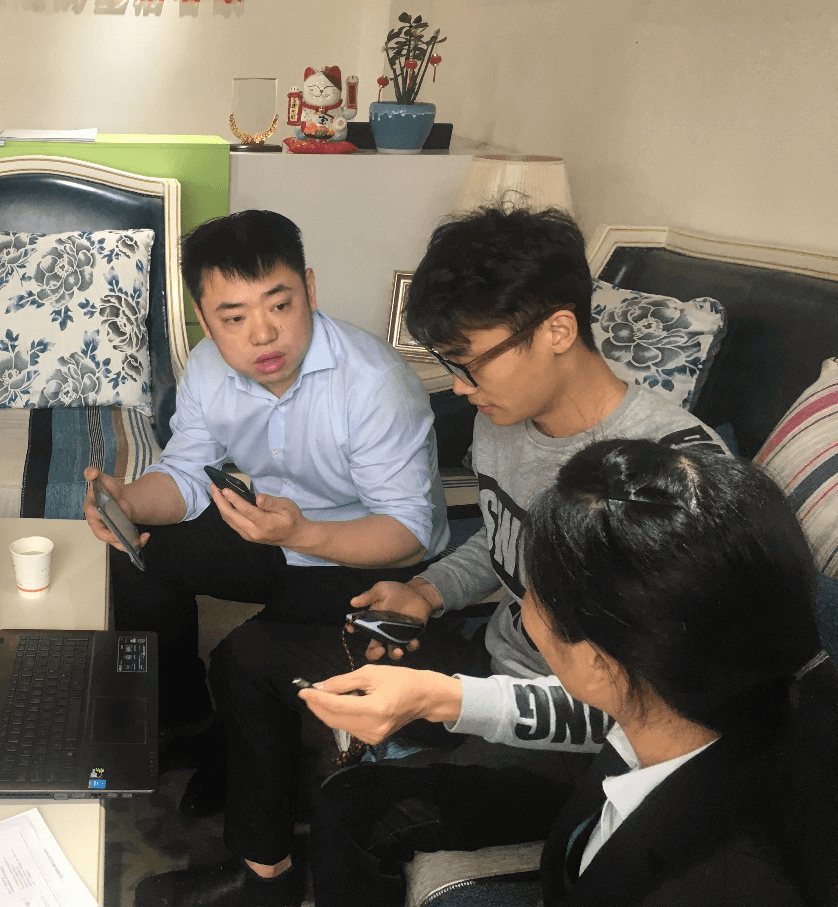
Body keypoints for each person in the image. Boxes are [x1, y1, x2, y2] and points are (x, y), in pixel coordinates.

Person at [136, 205, 728, 907]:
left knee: (354, 812)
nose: (459, 389)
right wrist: (428, 592)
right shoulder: (506, 417)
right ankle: (262, 877)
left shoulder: (668, 481)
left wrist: (447, 699)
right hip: (498, 654)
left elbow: (658, 715)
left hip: (587, 748)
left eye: (468, 364)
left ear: (557, 331)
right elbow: (501, 534)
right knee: (249, 659)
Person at [325, 439, 837, 905]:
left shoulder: (710, 881)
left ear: (598, 660)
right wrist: (440, 696)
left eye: (533, 589)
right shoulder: (704, 691)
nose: (521, 600)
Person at [80, 209, 448, 800]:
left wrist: (299, 536)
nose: (263, 335)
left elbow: (408, 533)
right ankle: (186, 723)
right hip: (274, 526)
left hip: (366, 553)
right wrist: (129, 500)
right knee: (137, 556)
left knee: (244, 658)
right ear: (203, 318)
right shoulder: (207, 367)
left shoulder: (375, 382)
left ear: (310, 290)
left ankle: (245, 755)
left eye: (280, 305)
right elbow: (184, 474)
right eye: (234, 317)